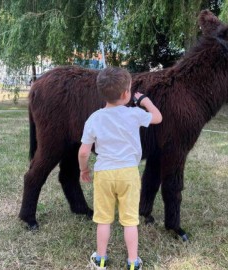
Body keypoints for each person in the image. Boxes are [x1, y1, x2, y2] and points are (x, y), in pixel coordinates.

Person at [78, 67, 162, 270]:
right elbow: (157, 117)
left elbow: (83, 152)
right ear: (127, 94)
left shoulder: (94, 118)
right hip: (128, 174)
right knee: (130, 221)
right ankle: (133, 262)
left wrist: (84, 170)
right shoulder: (134, 114)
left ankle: (100, 260)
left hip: (104, 174)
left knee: (103, 220)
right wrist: (145, 101)